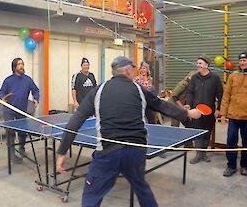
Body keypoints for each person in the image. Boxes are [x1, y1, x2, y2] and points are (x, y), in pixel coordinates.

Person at [56, 56, 202, 207]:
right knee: (142, 188)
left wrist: (62, 151)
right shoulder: (139, 90)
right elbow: (162, 106)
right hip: (136, 152)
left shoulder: (98, 90)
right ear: (127, 71)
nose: (135, 72)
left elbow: (76, 120)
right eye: (133, 70)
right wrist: (188, 114)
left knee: (91, 195)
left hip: (107, 153)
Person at [221, 52, 247, 177]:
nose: (243, 63)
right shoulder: (233, 76)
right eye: (241, 60)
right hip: (233, 116)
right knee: (231, 141)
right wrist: (223, 114)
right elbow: (226, 96)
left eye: (245, 60)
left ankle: (244, 166)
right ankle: (231, 166)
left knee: (246, 143)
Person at [0, 58, 39, 164]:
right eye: (19, 64)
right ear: (14, 67)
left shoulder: (28, 79)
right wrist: (3, 98)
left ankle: (22, 149)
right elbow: (1, 92)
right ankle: (12, 154)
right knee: (10, 132)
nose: (21, 66)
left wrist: (36, 99)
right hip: (9, 110)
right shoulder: (8, 80)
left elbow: (35, 90)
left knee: (22, 132)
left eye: (22, 64)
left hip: (22, 110)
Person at [186, 55, 223, 164]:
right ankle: (198, 154)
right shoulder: (194, 78)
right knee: (197, 132)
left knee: (207, 132)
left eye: (200, 63)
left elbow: (220, 94)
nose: (198, 65)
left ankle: (203, 154)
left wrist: (218, 109)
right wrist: (189, 105)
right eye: (197, 63)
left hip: (209, 111)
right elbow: (190, 92)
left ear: (206, 65)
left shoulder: (215, 78)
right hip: (196, 111)